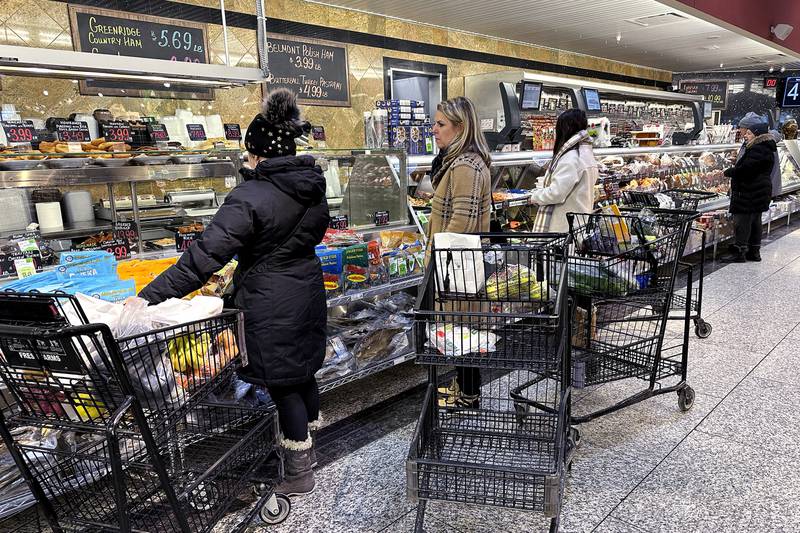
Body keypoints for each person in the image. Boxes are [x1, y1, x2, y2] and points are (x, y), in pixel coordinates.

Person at [138, 89, 329, 495]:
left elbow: (204, 258)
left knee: (283, 384)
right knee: (302, 371)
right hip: (306, 291)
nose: (245, 160)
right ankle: (309, 450)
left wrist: (148, 297)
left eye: (247, 154)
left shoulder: (250, 196)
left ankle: (299, 473)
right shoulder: (313, 187)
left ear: (258, 154)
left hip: (269, 300)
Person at [427, 96, 492, 409]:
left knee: (462, 331)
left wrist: (441, 266)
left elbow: (461, 225)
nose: (434, 129)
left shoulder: (465, 166)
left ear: (460, 127)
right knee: (462, 330)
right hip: (457, 264)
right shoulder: (461, 161)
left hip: (456, 266)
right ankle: (463, 388)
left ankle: (467, 396)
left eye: (440, 124)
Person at [527, 109, 598, 233]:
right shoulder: (587, 153)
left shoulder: (571, 157)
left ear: (563, 129)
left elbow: (556, 193)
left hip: (564, 226)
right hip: (580, 221)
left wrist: (534, 196)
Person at [721, 114, 776, 262]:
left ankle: (739, 252)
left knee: (742, 222)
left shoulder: (757, 149)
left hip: (749, 191)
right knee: (755, 221)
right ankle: (754, 251)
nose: (746, 135)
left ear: (756, 135)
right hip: (759, 191)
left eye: (749, 133)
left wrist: (730, 171)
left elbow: (747, 170)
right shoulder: (765, 147)